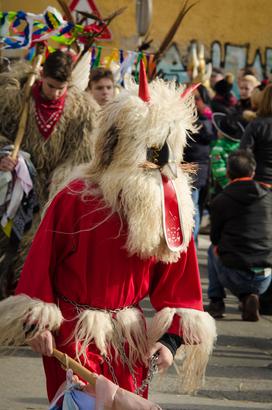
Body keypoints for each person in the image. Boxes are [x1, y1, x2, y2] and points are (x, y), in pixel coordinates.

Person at [0, 62, 216, 404]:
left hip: (130, 341)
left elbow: (179, 284)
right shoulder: (74, 198)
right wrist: (36, 323)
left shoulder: (168, 206)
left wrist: (170, 341)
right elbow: (40, 266)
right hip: (71, 335)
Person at [0, 50, 98, 298]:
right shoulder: (17, 98)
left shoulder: (82, 109)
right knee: (6, 239)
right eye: (51, 86)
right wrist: (5, 153)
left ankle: (25, 300)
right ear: (41, 74)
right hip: (16, 184)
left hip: (52, 190)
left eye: (61, 88)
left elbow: (82, 153)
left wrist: (63, 178)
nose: (55, 93)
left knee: (35, 245)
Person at [206, 149, 272, 321]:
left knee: (212, 250)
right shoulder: (268, 196)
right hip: (265, 276)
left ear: (228, 173)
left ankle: (216, 303)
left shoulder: (221, 200)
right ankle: (250, 299)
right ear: (253, 172)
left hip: (234, 274)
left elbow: (215, 239)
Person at [240, 83, 272, 314]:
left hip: (258, 188)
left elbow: (243, 155)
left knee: (256, 241)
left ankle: (251, 292)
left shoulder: (256, 125)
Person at [184, 84, 214, 241]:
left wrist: (201, 121)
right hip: (183, 169)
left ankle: (192, 244)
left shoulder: (207, 119)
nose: (193, 102)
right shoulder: (183, 118)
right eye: (190, 98)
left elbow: (208, 137)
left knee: (194, 208)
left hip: (198, 169)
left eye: (197, 98)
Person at [210, 113, 244, 197]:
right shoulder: (240, 146)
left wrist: (228, 187)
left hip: (223, 189)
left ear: (220, 132)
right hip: (241, 186)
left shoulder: (218, 149)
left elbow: (219, 171)